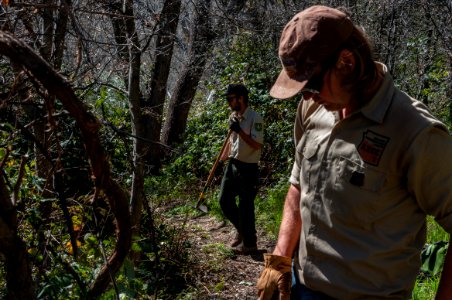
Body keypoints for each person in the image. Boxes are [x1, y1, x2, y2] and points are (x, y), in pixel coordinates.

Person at [257, 5, 452, 300]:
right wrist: (281, 258)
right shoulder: (312, 108)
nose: (307, 96)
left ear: (346, 62)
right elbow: (299, 185)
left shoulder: (416, 132)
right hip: (301, 288)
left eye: (311, 85)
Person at [217, 83, 264, 254]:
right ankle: (242, 231)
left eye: (231, 99)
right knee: (224, 200)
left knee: (246, 206)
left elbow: (257, 144)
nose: (229, 103)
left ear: (241, 98)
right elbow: (232, 142)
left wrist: (240, 131)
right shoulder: (233, 117)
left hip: (248, 167)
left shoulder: (255, 118)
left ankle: (250, 244)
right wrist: (221, 161)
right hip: (232, 163)